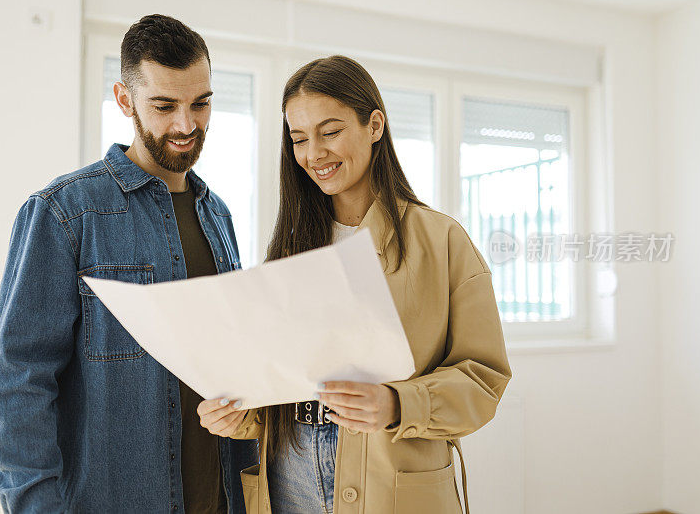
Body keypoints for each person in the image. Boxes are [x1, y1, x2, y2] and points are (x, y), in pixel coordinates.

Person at [197, 55, 512, 514]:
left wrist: (398, 404)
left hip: (392, 483)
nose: (313, 154)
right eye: (300, 139)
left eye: (330, 132)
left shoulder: (442, 241)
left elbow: (484, 382)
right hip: (291, 476)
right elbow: (279, 384)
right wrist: (239, 415)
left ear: (374, 125)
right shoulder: (290, 248)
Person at [0, 14, 257, 513]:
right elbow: (17, 386)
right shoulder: (63, 212)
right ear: (125, 99)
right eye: (164, 105)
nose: (186, 125)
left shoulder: (219, 217)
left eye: (201, 103)